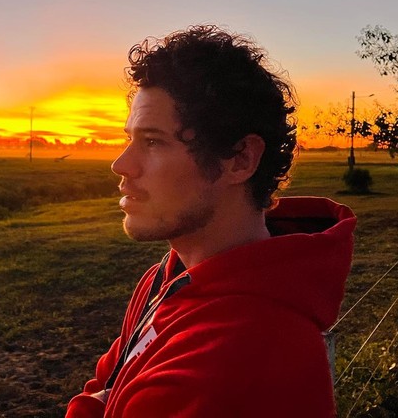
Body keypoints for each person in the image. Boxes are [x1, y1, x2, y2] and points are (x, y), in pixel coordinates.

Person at [66, 25, 356, 418]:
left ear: (240, 159)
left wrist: (91, 406)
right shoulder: (165, 279)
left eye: (153, 142)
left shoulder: (241, 356)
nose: (121, 165)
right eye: (130, 139)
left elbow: (105, 392)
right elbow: (110, 378)